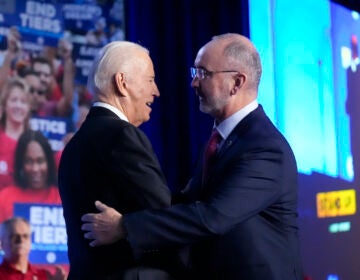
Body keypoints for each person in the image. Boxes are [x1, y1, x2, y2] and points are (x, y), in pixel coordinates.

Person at [81, 33, 304, 280]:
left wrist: (124, 226)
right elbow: (186, 204)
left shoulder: (265, 148)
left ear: (237, 83)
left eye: (204, 73)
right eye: (194, 72)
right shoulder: (221, 141)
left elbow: (213, 216)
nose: (194, 83)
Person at [58, 41, 183, 280]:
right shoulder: (121, 135)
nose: (156, 91)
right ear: (122, 82)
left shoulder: (74, 145)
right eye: (150, 80)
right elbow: (164, 218)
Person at [0, 130, 61, 222]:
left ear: (49, 162)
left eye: (40, 161)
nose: (35, 168)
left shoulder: (62, 197)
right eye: (29, 161)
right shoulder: (4, 198)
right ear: (21, 164)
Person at [0, 217, 66, 280]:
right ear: (2, 243)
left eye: (25, 236)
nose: (21, 240)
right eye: (14, 236)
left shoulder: (43, 276)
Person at [0, 77, 31, 190]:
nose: (18, 105)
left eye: (23, 102)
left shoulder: (34, 142)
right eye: (13, 100)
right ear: (4, 106)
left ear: (28, 108)